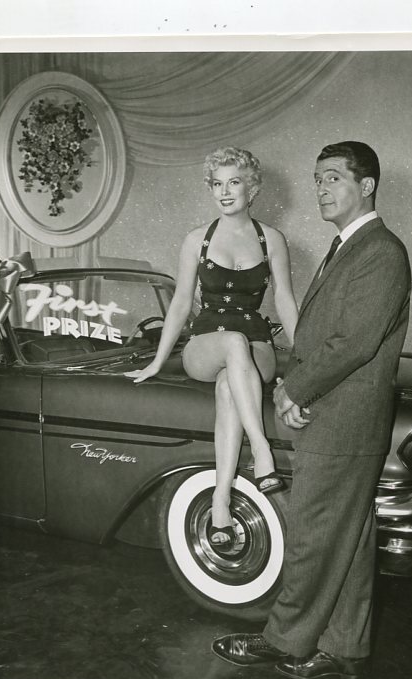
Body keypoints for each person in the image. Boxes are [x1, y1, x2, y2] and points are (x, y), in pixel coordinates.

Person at [212, 141, 411, 679]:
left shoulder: (380, 251)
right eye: (317, 179)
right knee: (349, 536)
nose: (321, 188)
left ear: (366, 186)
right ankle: (345, 649)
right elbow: (324, 335)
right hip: (342, 413)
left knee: (313, 533)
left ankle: (284, 640)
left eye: (333, 178)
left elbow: (353, 343)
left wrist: (294, 390)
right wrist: (295, 384)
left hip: (345, 419)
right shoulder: (350, 246)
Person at [125, 147, 298, 547]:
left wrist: (304, 358)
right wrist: (158, 361)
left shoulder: (271, 239)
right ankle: (262, 450)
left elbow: (286, 300)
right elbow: (181, 303)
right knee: (232, 343)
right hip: (205, 344)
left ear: (252, 188)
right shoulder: (196, 240)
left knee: (228, 386)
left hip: (257, 346)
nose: (224, 192)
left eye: (234, 182)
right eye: (217, 184)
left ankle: (221, 500)